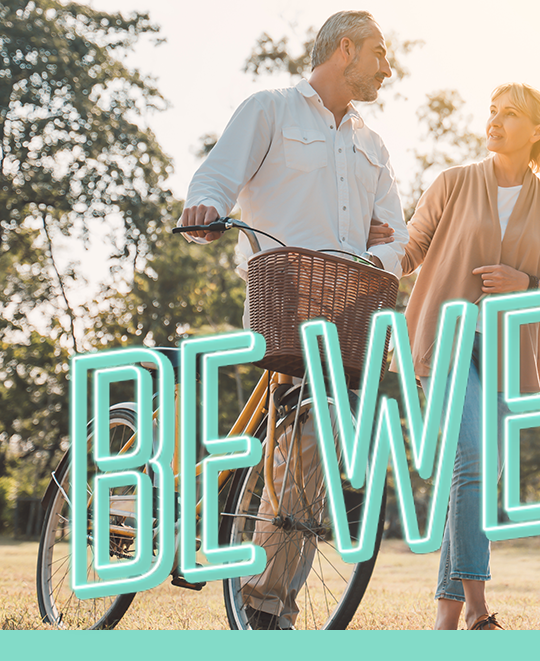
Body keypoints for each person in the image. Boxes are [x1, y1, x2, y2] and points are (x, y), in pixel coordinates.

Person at [178, 10, 409, 629]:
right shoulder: (271, 109)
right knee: (301, 441)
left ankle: (267, 600)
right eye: (380, 53)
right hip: (284, 298)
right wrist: (205, 207)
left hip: (347, 310)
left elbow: (399, 235)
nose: (388, 66)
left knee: (314, 446)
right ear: (346, 51)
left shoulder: (373, 143)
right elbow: (219, 174)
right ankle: (264, 601)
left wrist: (372, 250)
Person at [369, 82, 540, 630]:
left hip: (510, 355)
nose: (495, 120)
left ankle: (445, 617)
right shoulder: (453, 183)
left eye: (510, 113)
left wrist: (523, 280)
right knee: (472, 458)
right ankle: (480, 612)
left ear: (535, 131)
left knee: (476, 474)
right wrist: (375, 246)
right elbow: (410, 250)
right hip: (445, 339)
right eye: (492, 111)